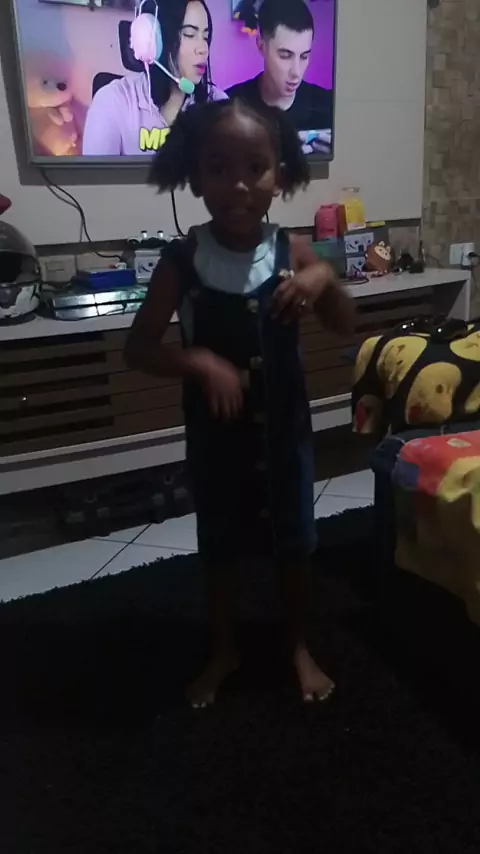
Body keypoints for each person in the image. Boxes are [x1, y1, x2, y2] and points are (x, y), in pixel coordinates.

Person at [125, 99, 354, 707]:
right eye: (220, 168)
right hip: (216, 438)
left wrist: (323, 278)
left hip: (286, 435)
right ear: (195, 175)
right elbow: (138, 349)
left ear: (281, 174)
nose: (239, 185)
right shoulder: (181, 261)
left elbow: (344, 324)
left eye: (256, 167)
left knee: (295, 541)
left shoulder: (294, 250)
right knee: (221, 545)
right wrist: (198, 361)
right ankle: (223, 647)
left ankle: (296, 644)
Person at [82, 0, 227, 156]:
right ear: (155, 39)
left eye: (205, 37)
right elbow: (97, 172)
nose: (203, 49)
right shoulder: (113, 102)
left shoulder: (219, 105)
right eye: (189, 34)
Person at [227, 0, 333, 133]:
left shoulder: (329, 107)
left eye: (304, 56)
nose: (296, 72)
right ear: (261, 46)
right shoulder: (230, 107)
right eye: (285, 56)